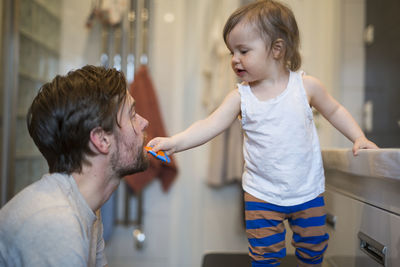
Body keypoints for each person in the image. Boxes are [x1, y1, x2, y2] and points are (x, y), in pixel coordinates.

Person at [147, 1, 378, 266]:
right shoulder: (240, 97)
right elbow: (209, 124)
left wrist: (358, 136)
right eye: (232, 51)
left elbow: (335, 110)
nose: (234, 59)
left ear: (277, 49)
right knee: (264, 257)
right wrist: (175, 142)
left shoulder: (306, 87)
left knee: (313, 250)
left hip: (307, 190)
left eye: (243, 50)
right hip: (262, 194)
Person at [0, 65, 149, 267]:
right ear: (101, 140)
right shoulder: (56, 223)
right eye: (132, 114)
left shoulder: (86, 207)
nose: (145, 122)